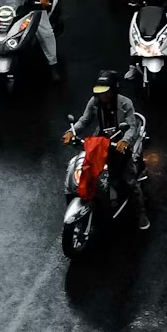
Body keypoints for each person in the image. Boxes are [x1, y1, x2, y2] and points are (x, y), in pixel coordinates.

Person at [64, 70, 149, 229]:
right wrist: (72, 132)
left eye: (106, 92)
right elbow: (84, 120)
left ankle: (141, 214)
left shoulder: (125, 104)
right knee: (84, 169)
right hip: (100, 142)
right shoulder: (94, 102)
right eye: (100, 92)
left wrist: (125, 141)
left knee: (129, 181)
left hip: (120, 145)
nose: (102, 96)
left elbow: (131, 127)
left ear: (114, 90)